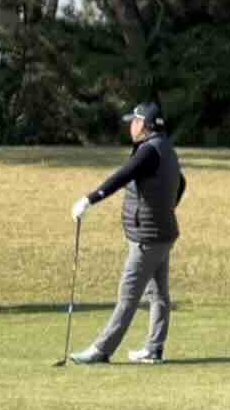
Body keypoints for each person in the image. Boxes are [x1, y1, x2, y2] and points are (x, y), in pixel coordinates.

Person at [66, 102, 184, 364]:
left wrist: (89, 199)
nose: (131, 126)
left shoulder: (148, 151)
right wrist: (165, 208)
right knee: (158, 294)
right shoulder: (166, 147)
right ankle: (154, 349)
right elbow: (181, 184)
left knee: (128, 295)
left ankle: (102, 350)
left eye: (135, 121)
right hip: (162, 233)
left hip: (148, 238)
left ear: (146, 125)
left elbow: (122, 176)